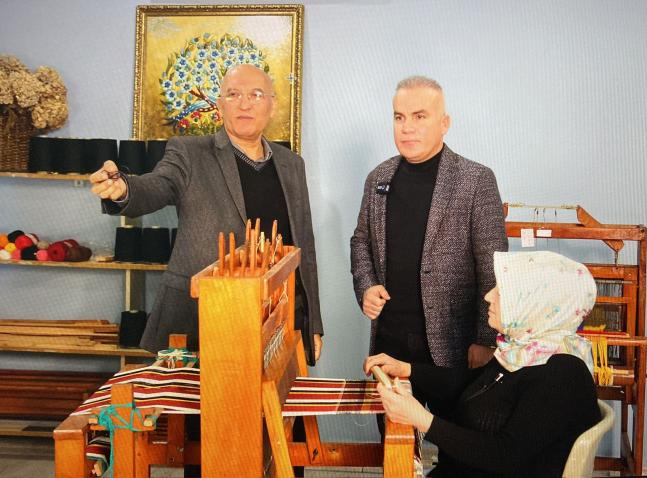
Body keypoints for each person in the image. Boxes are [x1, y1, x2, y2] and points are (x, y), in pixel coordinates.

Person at [89, 64, 323, 365]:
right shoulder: (190, 153)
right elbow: (158, 186)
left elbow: (305, 247)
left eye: (256, 94)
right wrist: (123, 189)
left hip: (277, 316)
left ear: (272, 105)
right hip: (201, 317)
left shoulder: (292, 164)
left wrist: (313, 325)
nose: (244, 103)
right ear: (220, 105)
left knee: (273, 396)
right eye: (233, 94)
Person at [364, 250, 602, 478]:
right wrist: (406, 368)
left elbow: (506, 455)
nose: (488, 296)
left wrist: (421, 419)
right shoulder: (523, 351)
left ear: (535, 302)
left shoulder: (563, 374)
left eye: (501, 291)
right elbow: (471, 382)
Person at [350, 75, 508, 376]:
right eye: (399, 117)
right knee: (390, 410)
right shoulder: (378, 178)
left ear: (444, 123)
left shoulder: (476, 180)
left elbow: (493, 264)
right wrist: (366, 286)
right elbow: (361, 241)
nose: (407, 127)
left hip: (453, 349)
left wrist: (486, 339)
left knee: (447, 412)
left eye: (419, 116)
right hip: (389, 340)